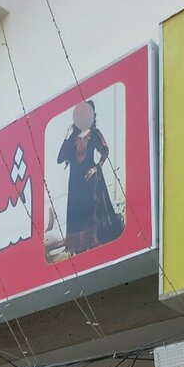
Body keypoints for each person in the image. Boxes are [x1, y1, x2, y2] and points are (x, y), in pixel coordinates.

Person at [57, 99, 123, 256]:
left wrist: (96, 168)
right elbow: (60, 159)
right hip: (75, 183)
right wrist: (66, 137)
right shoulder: (73, 137)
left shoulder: (94, 134)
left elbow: (104, 151)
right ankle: (79, 247)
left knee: (91, 214)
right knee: (77, 214)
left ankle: (94, 245)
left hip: (90, 180)